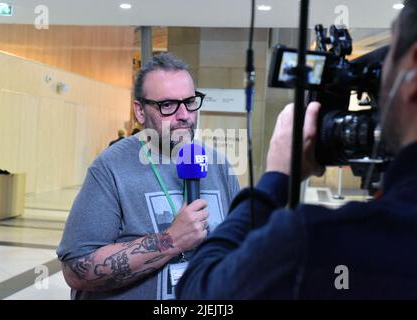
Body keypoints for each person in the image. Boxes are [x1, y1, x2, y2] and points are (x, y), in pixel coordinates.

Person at [176, 1, 417, 299]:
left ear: (413, 71)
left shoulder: (315, 243)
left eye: (391, 54)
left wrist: (275, 178)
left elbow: (201, 294)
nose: (182, 114)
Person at [57, 53, 240, 299]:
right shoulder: (110, 169)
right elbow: (76, 269)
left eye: (190, 101)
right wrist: (171, 240)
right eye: (168, 105)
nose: (184, 114)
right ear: (140, 111)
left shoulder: (219, 166)